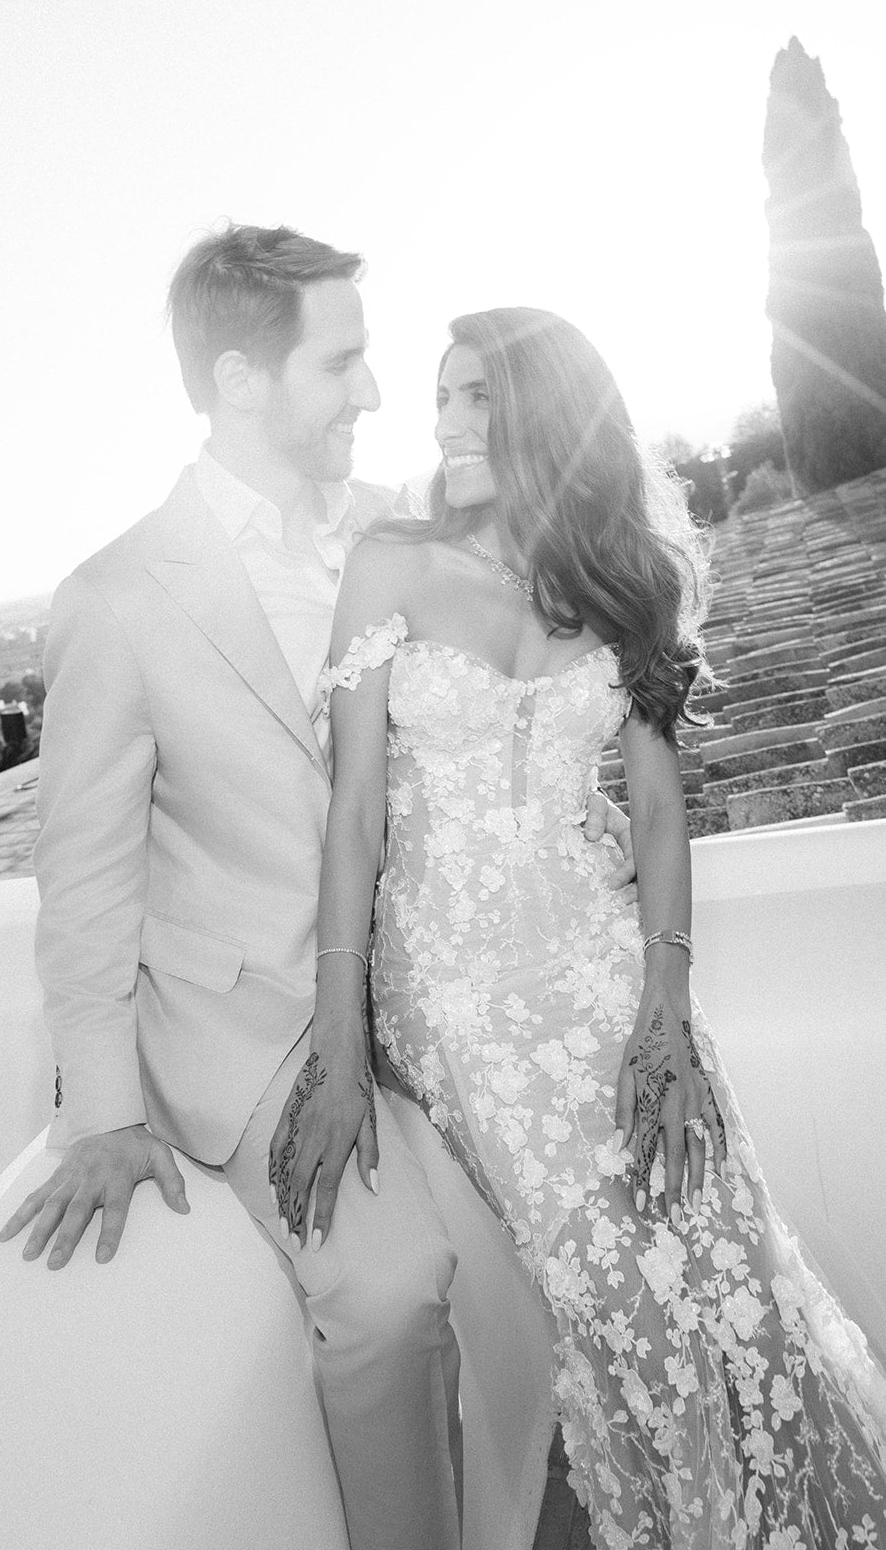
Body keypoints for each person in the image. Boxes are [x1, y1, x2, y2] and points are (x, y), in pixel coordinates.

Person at [0, 229, 634, 1550]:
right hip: (263, 1019)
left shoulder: (409, 528)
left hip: (431, 985)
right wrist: (101, 1108)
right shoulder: (114, 602)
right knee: (394, 1290)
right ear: (240, 382)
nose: (374, 393)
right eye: (340, 362)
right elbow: (86, 874)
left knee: (601, 1223)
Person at [273, 306, 886, 1546]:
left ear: (540, 415)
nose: (438, 422)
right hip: (451, 981)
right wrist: (337, 1040)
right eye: (437, 397)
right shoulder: (388, 561)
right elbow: (351, 822)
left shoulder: (621, 577)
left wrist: (665, 1009)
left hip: (603, 952)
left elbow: (654, 809)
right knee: (622, 1292)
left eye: (468, 399)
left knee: (731, 1258)